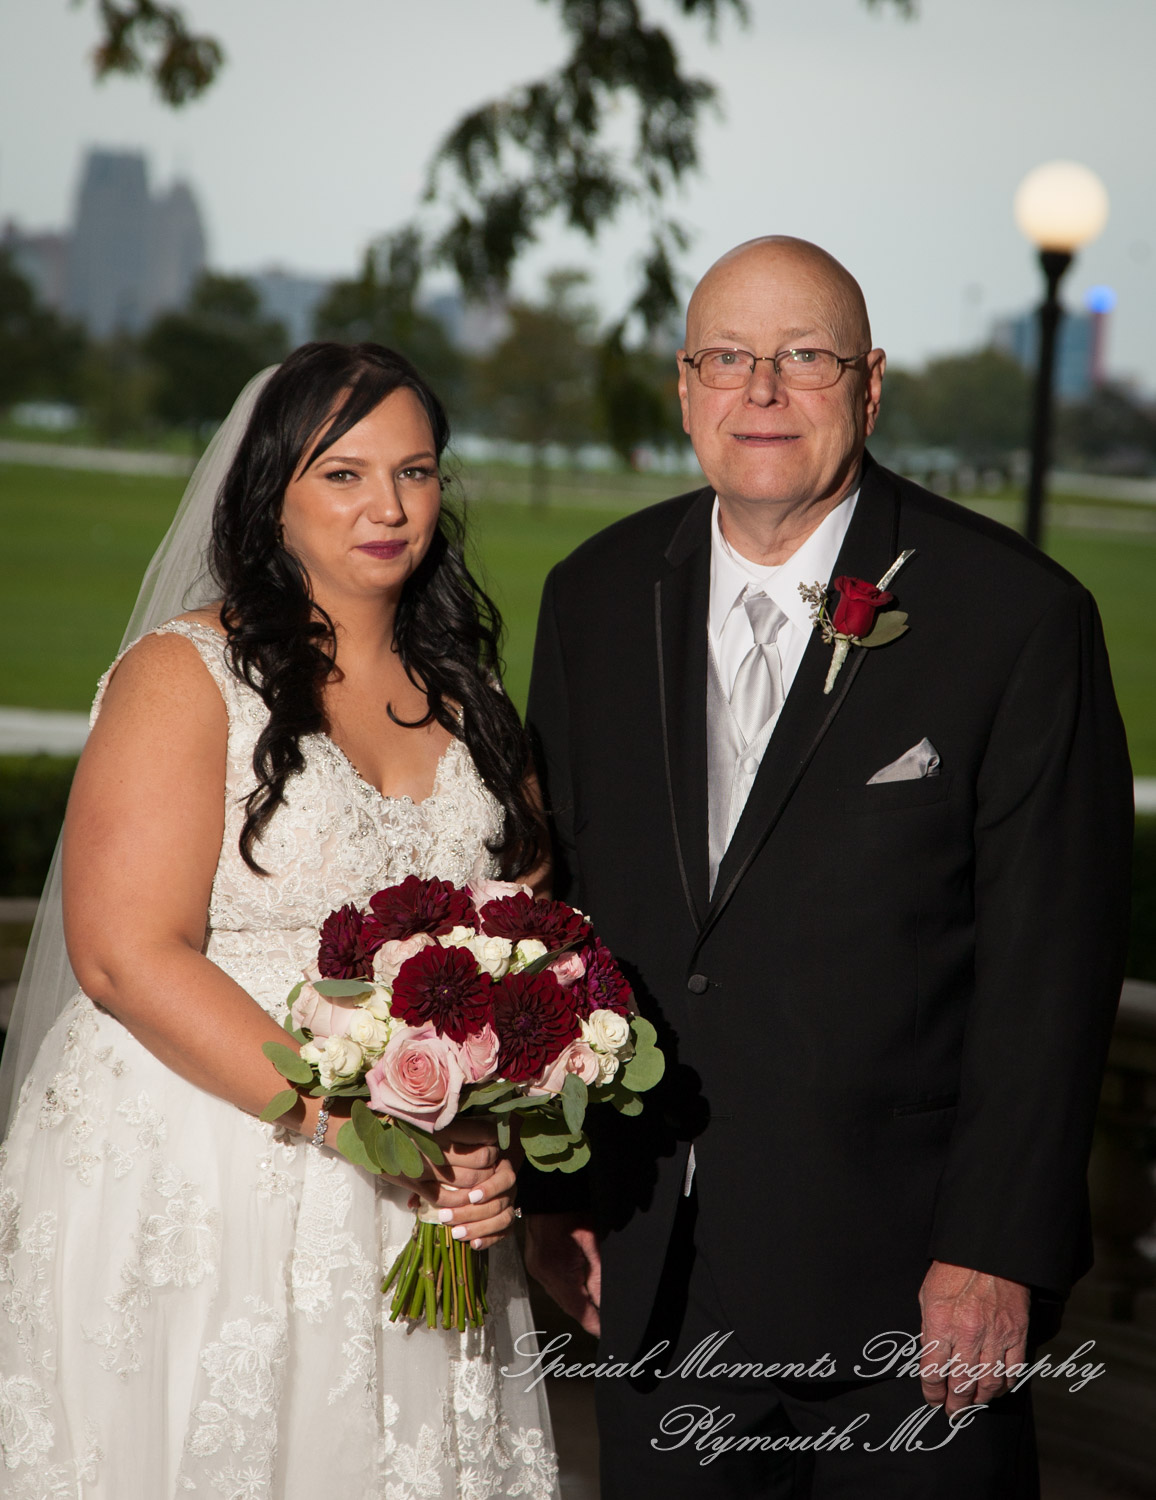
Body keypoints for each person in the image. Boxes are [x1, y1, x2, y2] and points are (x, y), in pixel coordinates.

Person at [522, 237, 1133, 1498]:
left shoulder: (1015, 618)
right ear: (685, 385)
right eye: (727, 360)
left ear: (869, 384)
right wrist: (556, 1186)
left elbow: (1052, 968)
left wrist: (994, 1251)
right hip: (657, 1280)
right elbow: (562, 923)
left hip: (910, 1299)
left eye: (804, 358)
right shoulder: (592, 597)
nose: (762, 393)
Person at [0, 343, 560, 1499]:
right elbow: (122, 954)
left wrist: (487, 1134)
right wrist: (349, 1124)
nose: (390, 506)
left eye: (416, 471)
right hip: (202, 1158)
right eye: (344, 474)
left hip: (422, 1183)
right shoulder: (184, 674)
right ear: (272, 492)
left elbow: (534, 945)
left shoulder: (474, 700)